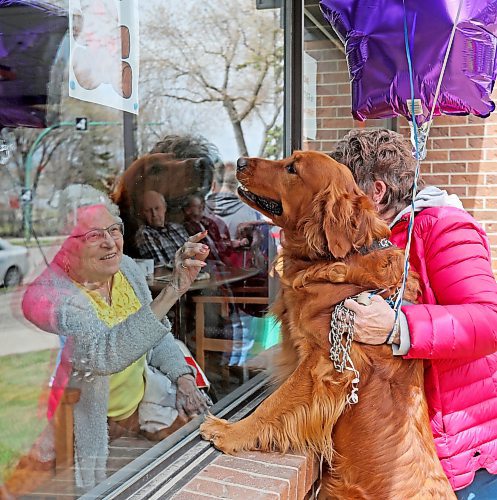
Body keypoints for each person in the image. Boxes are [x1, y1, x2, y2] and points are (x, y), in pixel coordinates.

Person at [331, 128, 497, 498]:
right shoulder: (381, 237)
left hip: (463, 453)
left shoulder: (443, 226)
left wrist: (398, 327)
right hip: (411, 444)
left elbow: (489, 321)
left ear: (376, 191)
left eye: (343, 193)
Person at [21, 186, 210, 490]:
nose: (110, 242)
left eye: (114, 230)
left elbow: (155, 334)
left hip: (139, 410)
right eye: (94, 235)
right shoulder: (50, 295)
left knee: (194, 463)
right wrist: (172, 290)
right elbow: (103, 355)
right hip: (84, 432)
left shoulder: (126, 269)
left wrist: (183, 378)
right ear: (65, 244)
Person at [135, 190, 190, 267]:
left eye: (157, 208)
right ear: (142, 214)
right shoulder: (144, 234)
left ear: (165, 208)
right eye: (148, 210)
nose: (154, 214)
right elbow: (161, 266)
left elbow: (193, 255)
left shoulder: (178, 228)